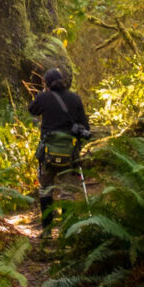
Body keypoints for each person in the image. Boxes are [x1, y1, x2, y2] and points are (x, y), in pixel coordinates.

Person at [28, 67, 90, 233]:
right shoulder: (75, 98)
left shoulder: (43, 97)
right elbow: (86, 127)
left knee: (46, 189)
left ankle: (47, 230)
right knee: (67, 192)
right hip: (69, 154)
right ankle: (67, 231)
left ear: (46, 83)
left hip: (48, 152)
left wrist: (43, 92)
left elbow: (32, 110)